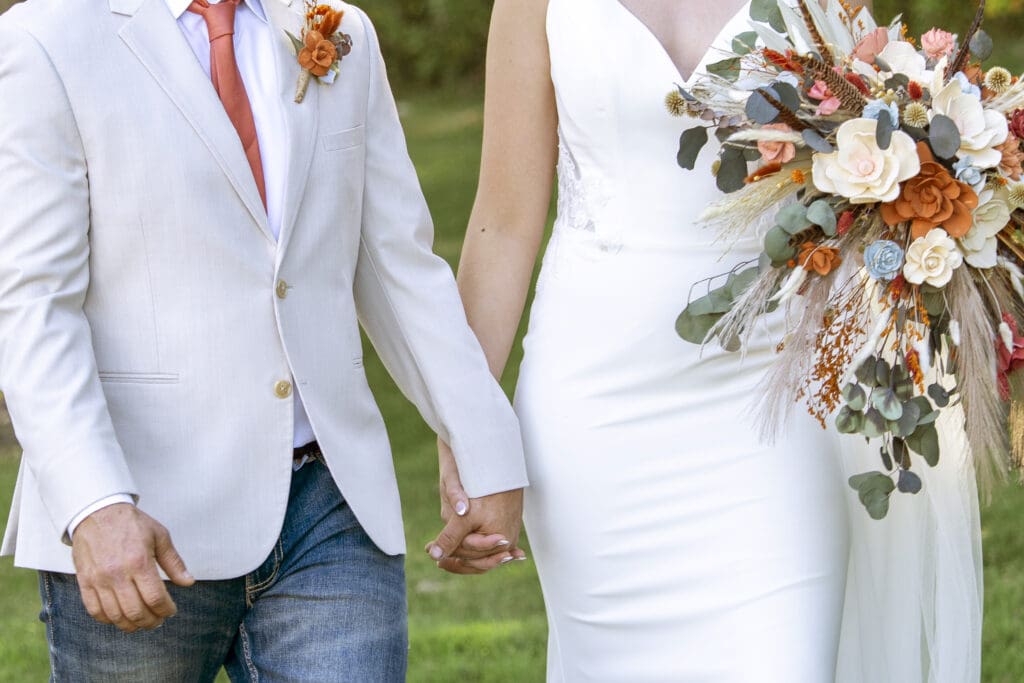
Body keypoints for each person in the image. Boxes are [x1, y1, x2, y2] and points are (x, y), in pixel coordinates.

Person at [431, 0, 980, 681]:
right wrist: (465, 422)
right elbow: (503, 223)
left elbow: (875, 146)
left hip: (776, 405)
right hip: (595, 416)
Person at [0, 0, 527, 679]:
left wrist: (487, 446)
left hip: (331, 507)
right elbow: (32, 304)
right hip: (139, 522)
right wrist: (94, 503)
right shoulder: (44, 39)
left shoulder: (336, 27)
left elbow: (401, 265)